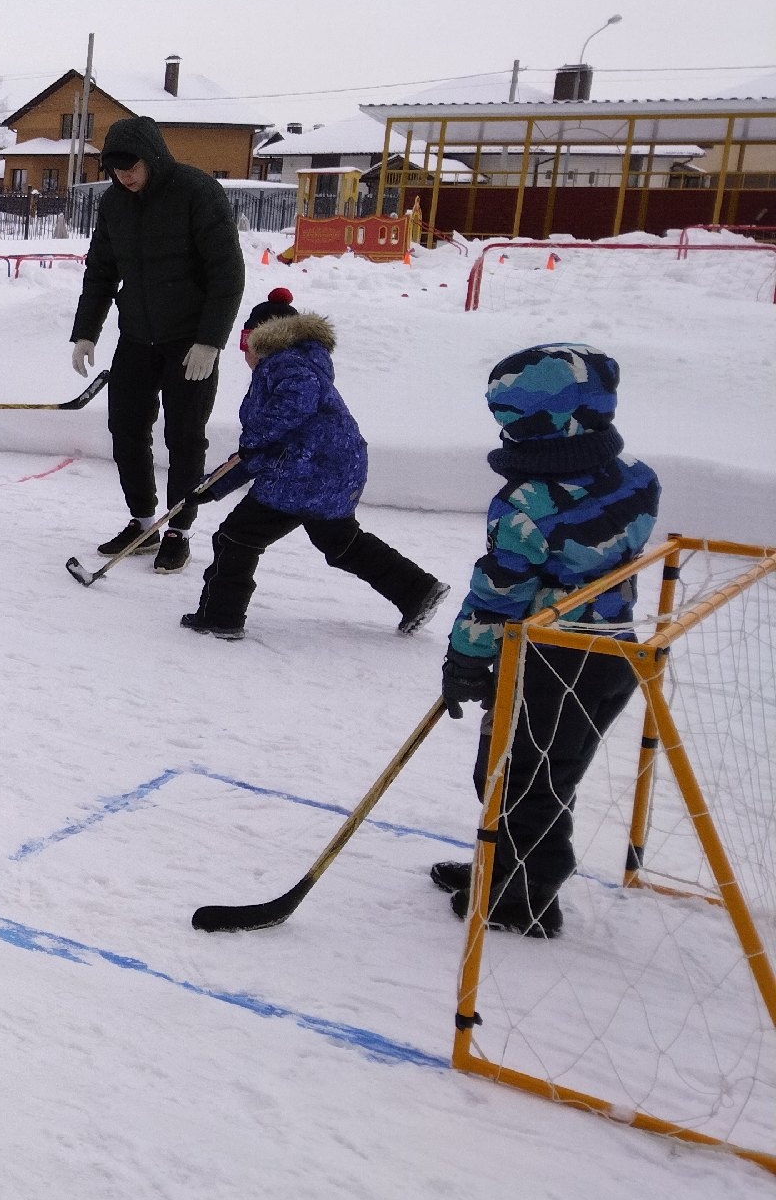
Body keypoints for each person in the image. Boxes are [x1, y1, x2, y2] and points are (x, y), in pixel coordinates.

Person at [430, 344, 659, 939]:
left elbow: (497, 593)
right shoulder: (635, 480)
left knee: (520, 779)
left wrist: (465, 660)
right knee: (546, 773)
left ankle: (523, 898)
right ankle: (501, 861)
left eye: (514, 420)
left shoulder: (527, 507)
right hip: (612, 655)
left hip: (547, 665)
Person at [178, 289, 447, 640]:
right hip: (335, 469)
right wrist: (213, 487)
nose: (244, 351)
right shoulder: (304, 360)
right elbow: (259, 450)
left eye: (247, 341)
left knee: (237, 537)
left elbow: (284, 415)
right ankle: (418, 591)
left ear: (263, 338)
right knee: (341, 543)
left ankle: (220, 616)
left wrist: (255, 437)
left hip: (303, 474)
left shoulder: (284, 363)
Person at [69, 115, 246, 574]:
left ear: (153, 157)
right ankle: (143, 522)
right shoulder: (114, 204)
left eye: (132, 167)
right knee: (126, 429)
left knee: (184, 437)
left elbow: (227, 273)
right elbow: (102, 270)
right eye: (115, 170)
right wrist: (86, 330)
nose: (124, 176)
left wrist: (210, 341)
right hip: (137, 337)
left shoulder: (196, 192)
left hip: (190, 341)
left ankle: (178, 531)